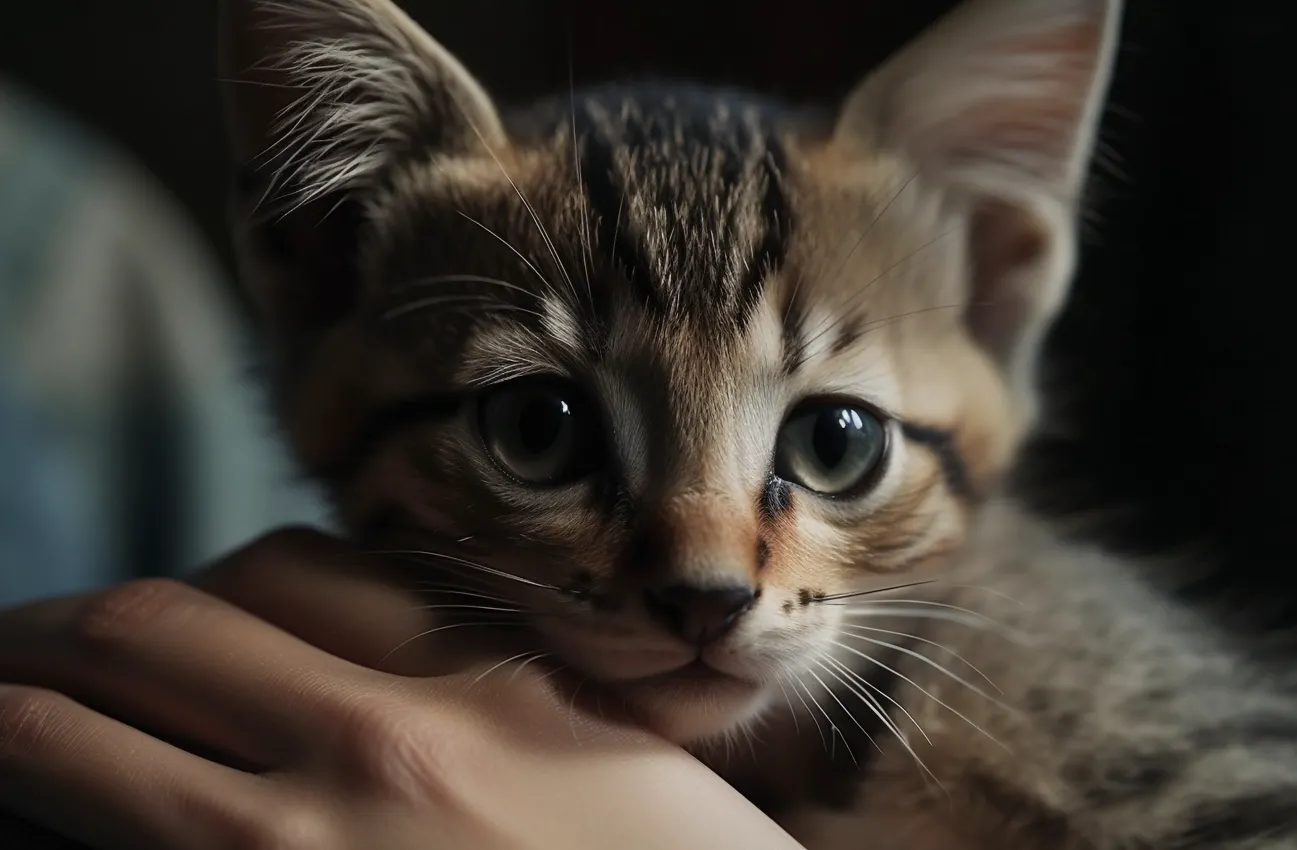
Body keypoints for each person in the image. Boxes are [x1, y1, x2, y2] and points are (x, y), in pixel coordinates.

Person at [0, 81, 801, 849]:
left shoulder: (73, 242)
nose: (710, 574)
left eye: (832, 442)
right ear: (334, 251)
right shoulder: (63, 253)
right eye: (541, 428)